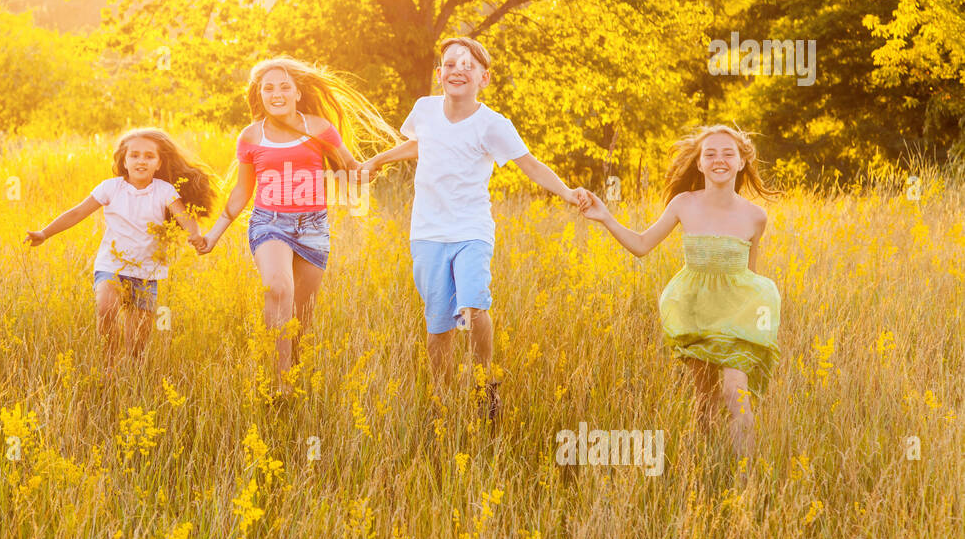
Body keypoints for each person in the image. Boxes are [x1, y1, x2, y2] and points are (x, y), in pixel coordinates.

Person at [360, 36, 588, 420]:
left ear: (484, 78)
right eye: (450, 64)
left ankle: (485, 385)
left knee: (472, 305)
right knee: (439, 322)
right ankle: (441, 400)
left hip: (471, 230)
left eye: (468, 66)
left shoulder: (492, 125)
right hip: (428, 233)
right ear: (439, 74)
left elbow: (529, 164)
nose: (458, 70)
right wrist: (377, 161)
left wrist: (567, 192)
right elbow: (422, 145)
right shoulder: (425, 110)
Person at [580, 124, 781, 456]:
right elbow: (642, 245)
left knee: (735, 392)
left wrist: (757, 323)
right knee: (704, 399)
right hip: (696, 310)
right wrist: (606, 217)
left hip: (739, 312)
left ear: (742, 161)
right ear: (699, 164)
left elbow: (752, 275)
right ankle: (704, 467)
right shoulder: (683, 204)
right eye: (710, 154)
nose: (720, 160)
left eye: (728, 153)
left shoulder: (755, 216)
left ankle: (745, 479)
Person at [200, 57, 398, 377]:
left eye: (284, 86)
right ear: (259, 95)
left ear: (297, 93)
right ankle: (277, 384)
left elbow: (352, 169)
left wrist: (379, 164)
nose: (276, 93)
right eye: (268, 88)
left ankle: (295, 384)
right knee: (278, 288)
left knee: (300, 323)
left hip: (313, 227)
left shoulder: (319, 128)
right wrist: (213, 234)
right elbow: (241, 193)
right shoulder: (251, 136)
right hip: (269, 222)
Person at [25, 128, 213, 358]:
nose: (141, 161)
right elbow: (76, 213)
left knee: (136, 345)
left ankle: (130, 377)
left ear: (159, 163)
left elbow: (185, 217)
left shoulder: (164, 191)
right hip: (111, 265)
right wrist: (44, 233)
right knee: (106, 308)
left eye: (148, 156)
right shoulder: (110, 188)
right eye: (134, 155)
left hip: (146, 272)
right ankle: (109, 365)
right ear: (124, 161)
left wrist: (195, 235)